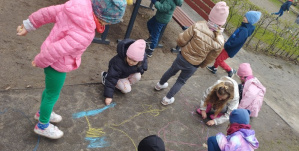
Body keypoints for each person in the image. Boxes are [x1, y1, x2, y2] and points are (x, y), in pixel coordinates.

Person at [16, 0, 127, 139]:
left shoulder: (75, 7)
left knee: (50, 91)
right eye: (109, 22)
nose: (109, 25)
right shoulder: (84, 33)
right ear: (102, 17)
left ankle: (42, 113)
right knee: (52, 95)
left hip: (50, 57)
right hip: (56, 64)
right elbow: (57, 50)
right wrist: (40, 61)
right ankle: (42, 125)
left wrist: (29, 24)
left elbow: (47, 13)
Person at [154, 1, 230, 105]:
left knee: (171, 70)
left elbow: (182, 40)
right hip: (194, 64)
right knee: (181, 81)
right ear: (222, 22)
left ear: (210, 15)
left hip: (182, 56)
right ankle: (167, 99)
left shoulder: (198, 25)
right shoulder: (220, 40)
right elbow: (211, 57)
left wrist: (181, 46)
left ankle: (159, 85)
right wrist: (202, 64)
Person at [195, 109, 259, 151]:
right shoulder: (247, 134)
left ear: (234, 123)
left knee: (212, 140)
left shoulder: (237, 137)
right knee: (220, 141)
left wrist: (220, 137)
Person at [207, 11, 261, 77]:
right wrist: (228, 42)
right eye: (245, 16)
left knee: (219, 60)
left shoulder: (244, 31)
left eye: (246, 17)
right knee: (219, 57)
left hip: (230, 49)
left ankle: (230, 70)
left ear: (250, 20)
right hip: (228, 46)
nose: (244, 17)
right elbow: (235, 37)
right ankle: (214, 68)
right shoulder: (243, 27)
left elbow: (236, 41)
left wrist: (228, 44)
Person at [101, 39, 147, 105]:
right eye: (129, 59)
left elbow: (141, 68)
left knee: (138, 75)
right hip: (118, 76)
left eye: (134, 61)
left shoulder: (140, 60)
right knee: (126, 90)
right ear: (126, 54)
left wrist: (142, 70)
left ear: (139, 60)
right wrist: (108, 96)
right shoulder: (118, 63)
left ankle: (123, 84)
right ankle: (105, 76)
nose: (131, 62)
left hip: (126, 74)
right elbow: (112, 78)